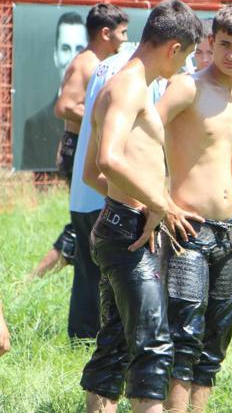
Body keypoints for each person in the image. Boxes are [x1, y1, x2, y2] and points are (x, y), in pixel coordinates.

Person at [79, 0, 203, 413]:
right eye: (186, 56)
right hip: (128, 235)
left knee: (115, 344)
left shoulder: (125, 85)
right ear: (173, 48)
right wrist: (157, 203)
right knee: (153, 346)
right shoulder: (130, 87)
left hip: (120, 224)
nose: (185, 66)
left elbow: (90, 174)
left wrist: (146, 204)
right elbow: (108, 160)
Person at [158, 5, 232, 413]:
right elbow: (143, 133)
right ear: (210, 42)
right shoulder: (188, 87)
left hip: (229, 230)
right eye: (224, 44)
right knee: (184, 333)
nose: (231, 55)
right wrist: (163, 201)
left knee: (218, 334)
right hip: (188, 230)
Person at [32, 4, 129, 283]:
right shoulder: (85, 63)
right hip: (77, 150)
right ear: (106, 33)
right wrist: (102, 116)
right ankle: (35, 278)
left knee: (93, 219)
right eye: (122, 33)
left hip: (86, 149)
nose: (125, 39)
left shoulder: (101, 61)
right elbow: (63, 106)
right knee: (87, 221)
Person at [66, 45, 136, 342]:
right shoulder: (134, 77)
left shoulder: (105, 65)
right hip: (111, 191)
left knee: (86, 271)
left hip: (84, 192)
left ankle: (83, 338)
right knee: (118, 277)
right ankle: (109, 342)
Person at [23, 11, 87, 170]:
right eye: (65, 48)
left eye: (79, 49)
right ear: (55, 55)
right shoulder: (35, 125)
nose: (72, 59)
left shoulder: (101, 112)